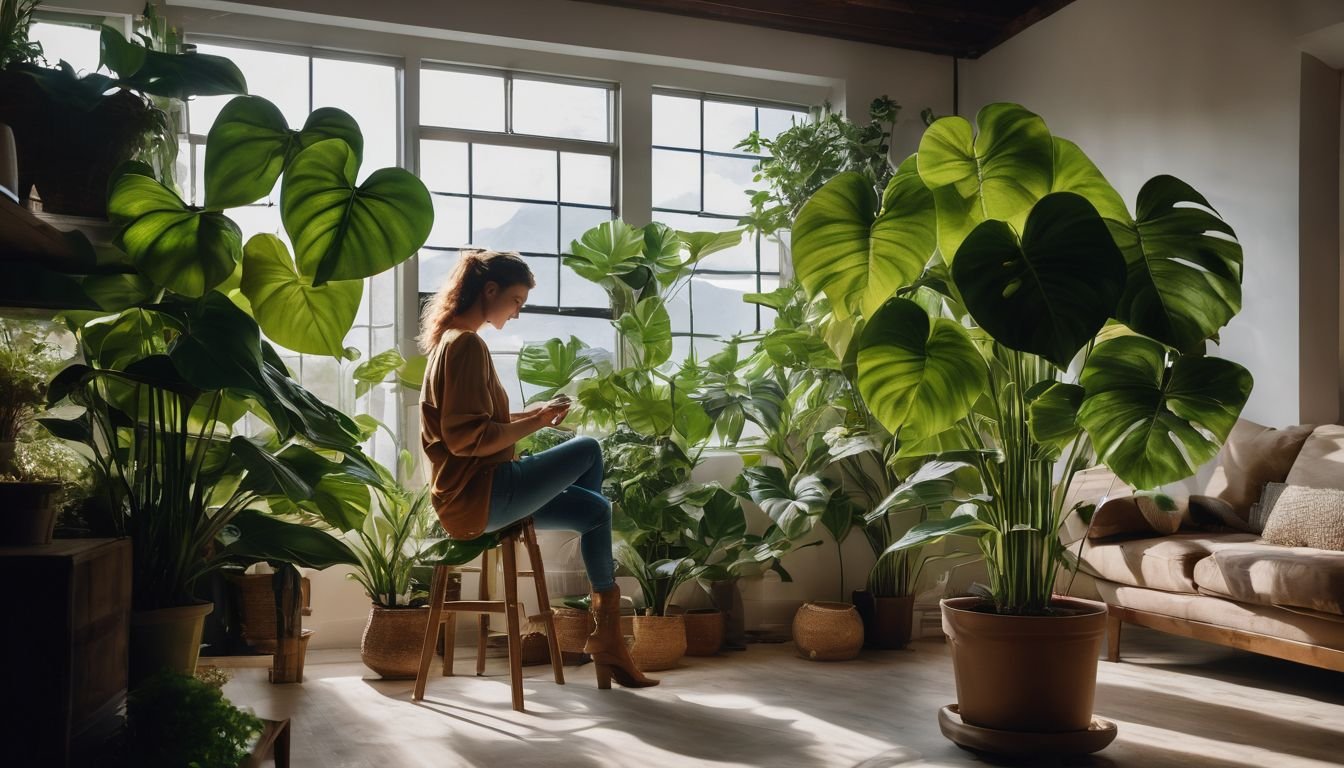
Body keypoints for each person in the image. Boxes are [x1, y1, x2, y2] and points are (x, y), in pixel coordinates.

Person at [419, 249, 657, 690]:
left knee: (594, 511)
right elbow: (466, 439)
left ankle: (605, 635)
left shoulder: (449, 342)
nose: (518, 311)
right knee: (587, 448)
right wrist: (535, 422)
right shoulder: (467, 344)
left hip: (470, 498)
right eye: (515, 300)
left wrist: (536, 413)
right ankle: (604, 630)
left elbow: (479, 423)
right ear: (489, 291)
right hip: (481, 493)